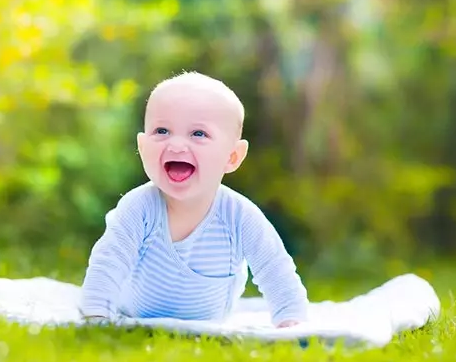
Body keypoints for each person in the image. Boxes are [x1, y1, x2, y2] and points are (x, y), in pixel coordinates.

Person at [80, 71, 308, 328]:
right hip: (135, 315)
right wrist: (95, 315)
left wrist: (291, 322)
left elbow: (275, 270)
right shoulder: (139, 208)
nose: (177, 145)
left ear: (232, 157)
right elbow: (109, 261)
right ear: (143, 148)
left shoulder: (239, 216)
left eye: (198, 134)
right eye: (162, 130)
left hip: (210, 322)